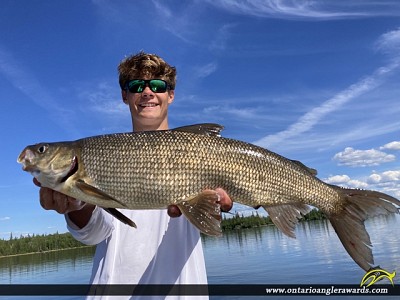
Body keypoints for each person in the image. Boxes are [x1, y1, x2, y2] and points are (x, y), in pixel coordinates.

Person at [34, 51, 233, 299]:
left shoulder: (203, 152)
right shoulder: (102, 154)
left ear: (170, 95)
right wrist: (76, 204)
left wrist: (216, 204)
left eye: (158, 85)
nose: (148, 92)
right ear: (125, 96)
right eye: (137, 85)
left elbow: (211, 216)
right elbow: (94, 233)